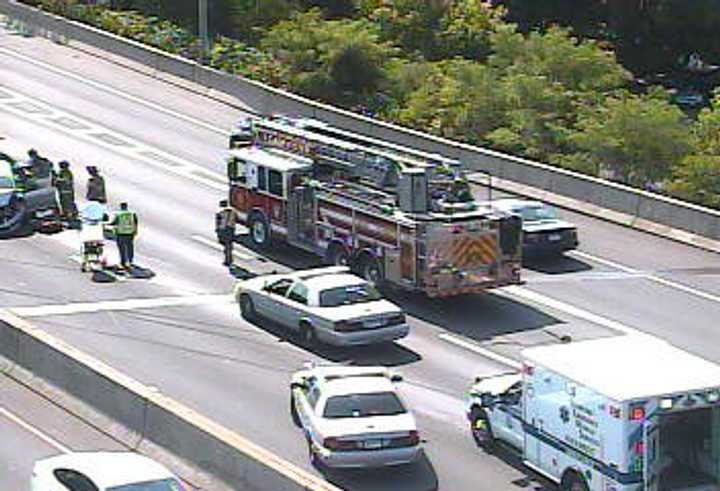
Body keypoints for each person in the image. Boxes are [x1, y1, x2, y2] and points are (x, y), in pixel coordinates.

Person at [111, 202, 138, 271]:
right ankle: (130, 261)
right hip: (130, 233)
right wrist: (135, 231)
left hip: (121, 233)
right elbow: (135, 222)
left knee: (122, 248)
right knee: (130, 247)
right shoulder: (132, 213)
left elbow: (114, 222)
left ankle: (123, 262)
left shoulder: (118, 214)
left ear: (121, 207)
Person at [215, 199, 237, 267]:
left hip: (223, 229)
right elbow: (235, 220)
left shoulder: (220, 212)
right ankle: (229, 258)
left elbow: (218, 222)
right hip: (231, 229)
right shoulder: (233, 211)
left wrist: (217, 230)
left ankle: (228, 260)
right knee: (229, 244)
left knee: (225, 244)